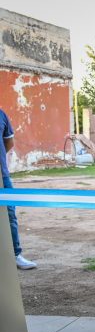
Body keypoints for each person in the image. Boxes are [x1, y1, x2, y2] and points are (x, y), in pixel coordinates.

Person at [0, 109, 37, 270]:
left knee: (9, 214)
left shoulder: (1, 115)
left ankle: (15, 255)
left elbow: (9, 142)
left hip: (2, 175)